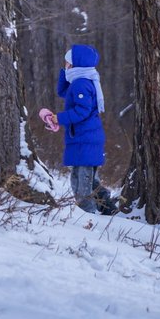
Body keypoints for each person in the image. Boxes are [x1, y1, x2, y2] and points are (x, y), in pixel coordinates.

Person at [39, 44, 116, 215]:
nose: (65, 64)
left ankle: (87, 215)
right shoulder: (80, 81)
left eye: (67, 62)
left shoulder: (81, 83)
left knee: (81, 182)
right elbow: (63, 92)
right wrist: (64, 72)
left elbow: (83, 111)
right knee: (88, 180)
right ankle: (108, 208)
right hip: (83, 137)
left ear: (76, 64)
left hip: (85, 138)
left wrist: (59, 118)